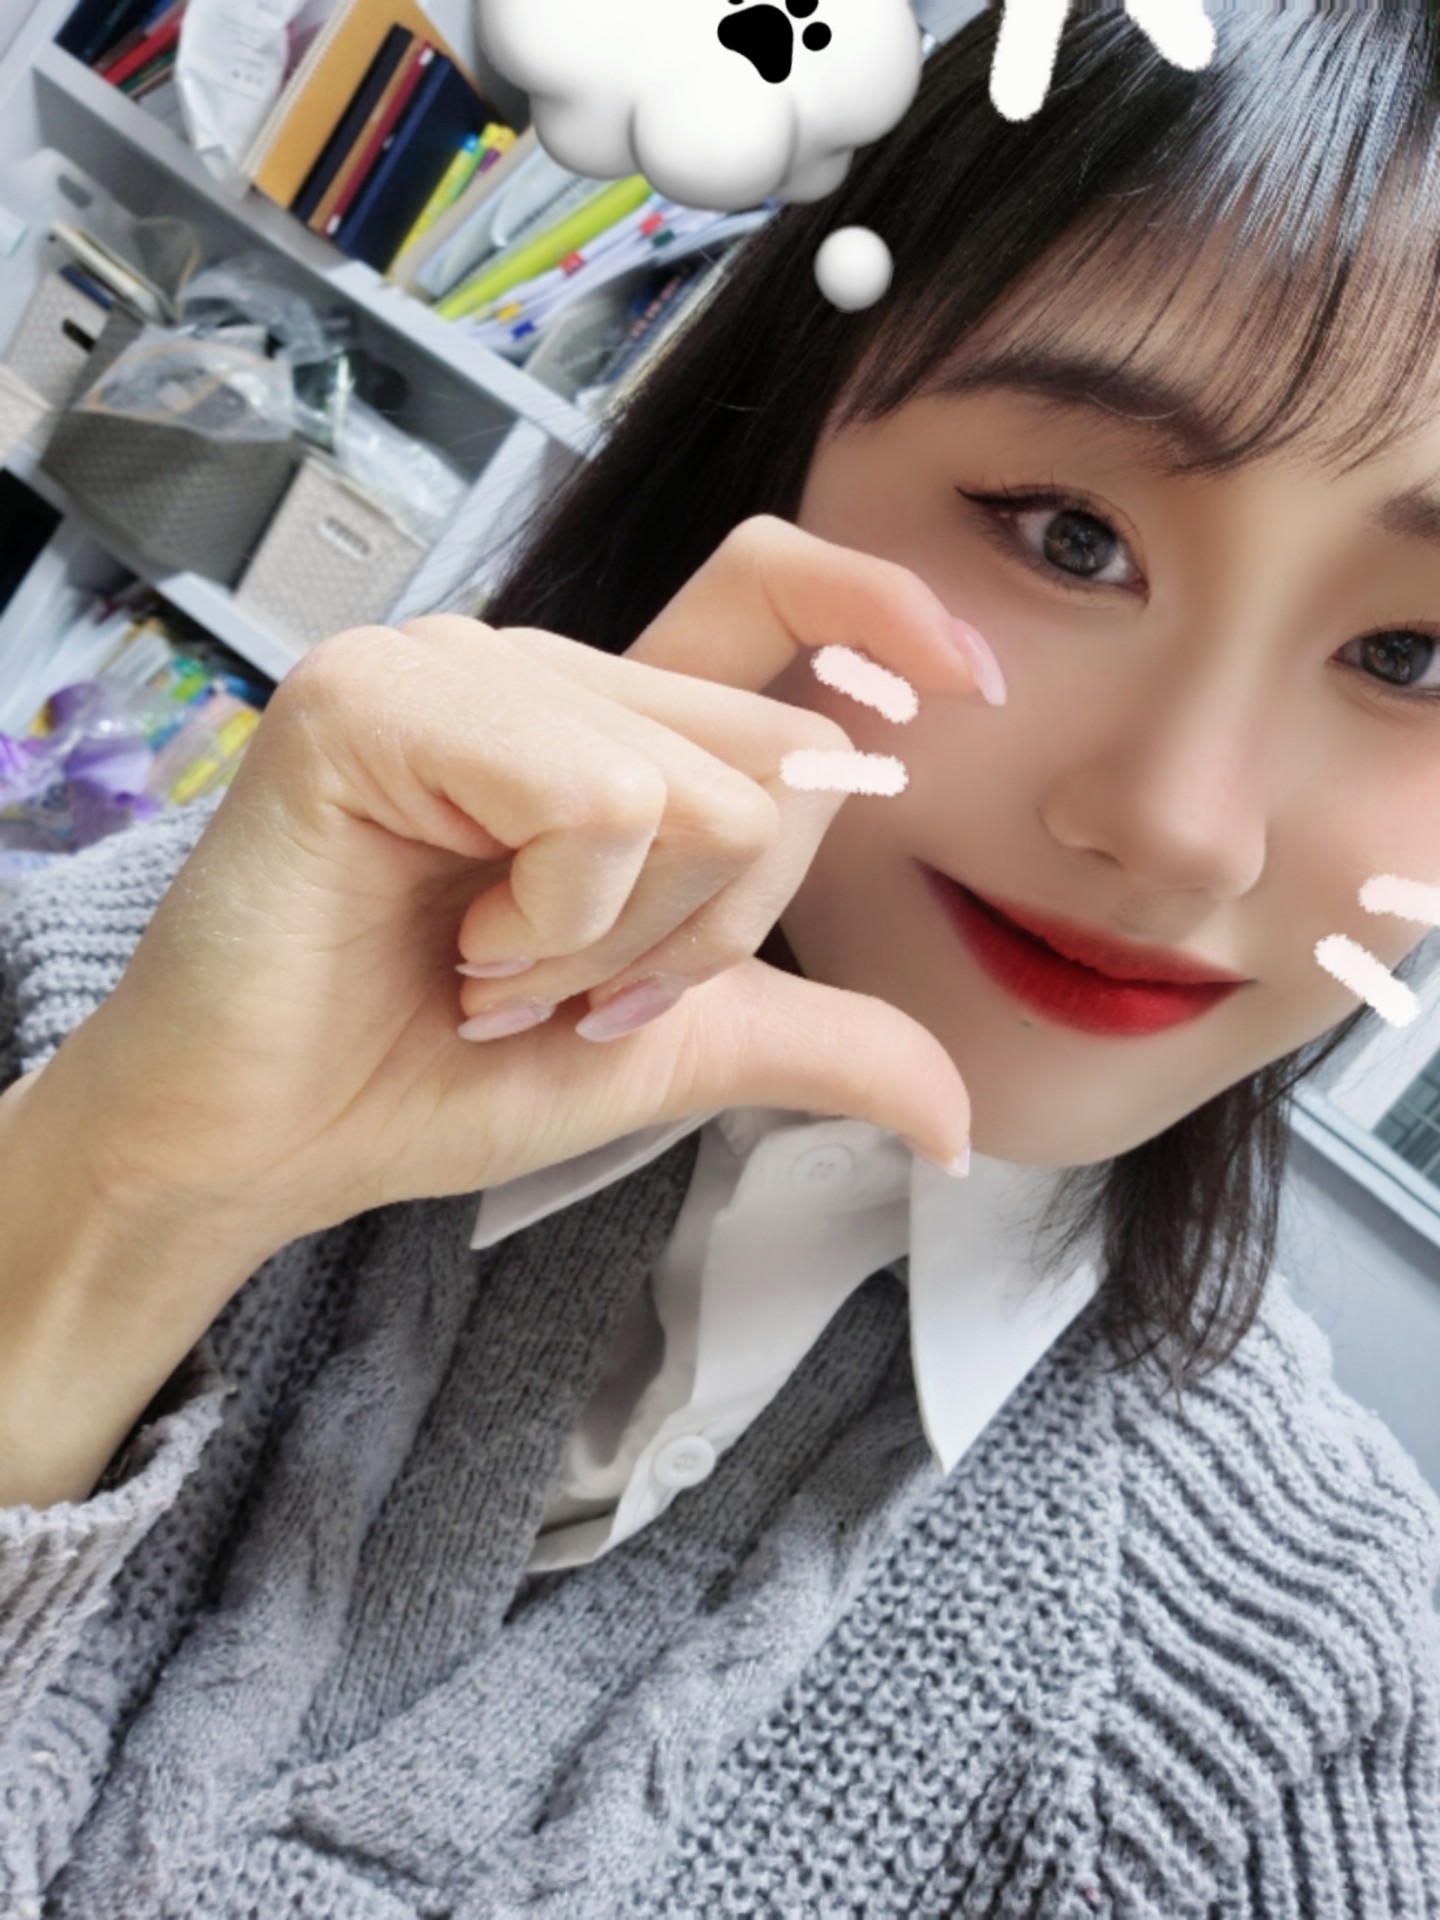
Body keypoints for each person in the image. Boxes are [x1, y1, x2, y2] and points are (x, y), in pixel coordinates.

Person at [2, 4, 1438, 1913]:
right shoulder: (126, 987)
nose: (1184, 826)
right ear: (774, 446)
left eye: (1414, 656)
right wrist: (120, 1200)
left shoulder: (1300, 1700)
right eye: (1070, 535)